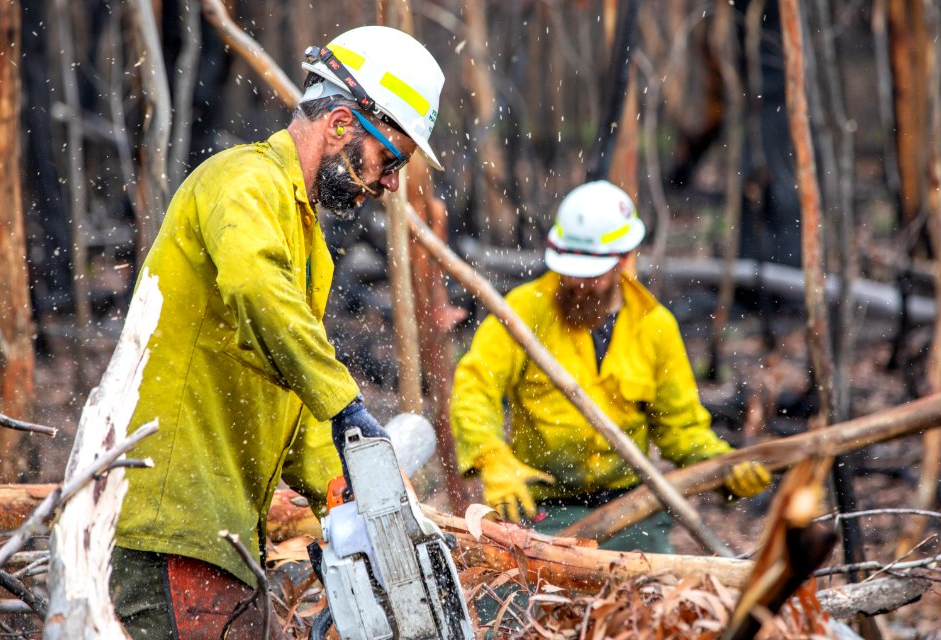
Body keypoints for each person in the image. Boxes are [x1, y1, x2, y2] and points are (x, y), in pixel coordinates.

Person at [108, 25, 445, 639]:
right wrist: (347, 403)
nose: (392, 182)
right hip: (173, 518)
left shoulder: (309, 242)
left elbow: (291, 397)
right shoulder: (242, 181)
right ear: (342, 125)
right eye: (390, 159)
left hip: (225, 534)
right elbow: (257, 288)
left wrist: (345, 488)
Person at [451, 181, 771, 554]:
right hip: (541, 507)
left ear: (624, 258)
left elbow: (681, 430)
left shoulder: (655, 327)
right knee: (514, 602)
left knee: (647, 603)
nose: (579, 284)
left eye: (592, 274)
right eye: (571, 271)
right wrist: (492, 459)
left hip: (632, 509)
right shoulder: (522, 312)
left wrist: (724, 469)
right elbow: (474, 387)